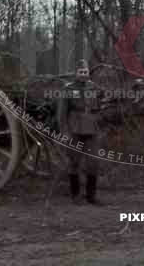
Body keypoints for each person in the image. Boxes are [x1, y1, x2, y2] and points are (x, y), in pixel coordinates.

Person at [56, 59, 102, 204]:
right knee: (74, 162)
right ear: (76, 74)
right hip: (74, 129)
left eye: (85, 72)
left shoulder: (93, 87)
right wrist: (64, 132)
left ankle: (91, 196)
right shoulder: (68, 89)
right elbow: (62, 113)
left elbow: (98, 108)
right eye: (81, 72)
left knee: (93, 163)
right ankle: (75, 195)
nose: (83, 74)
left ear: (88, 73)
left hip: (91, 129)